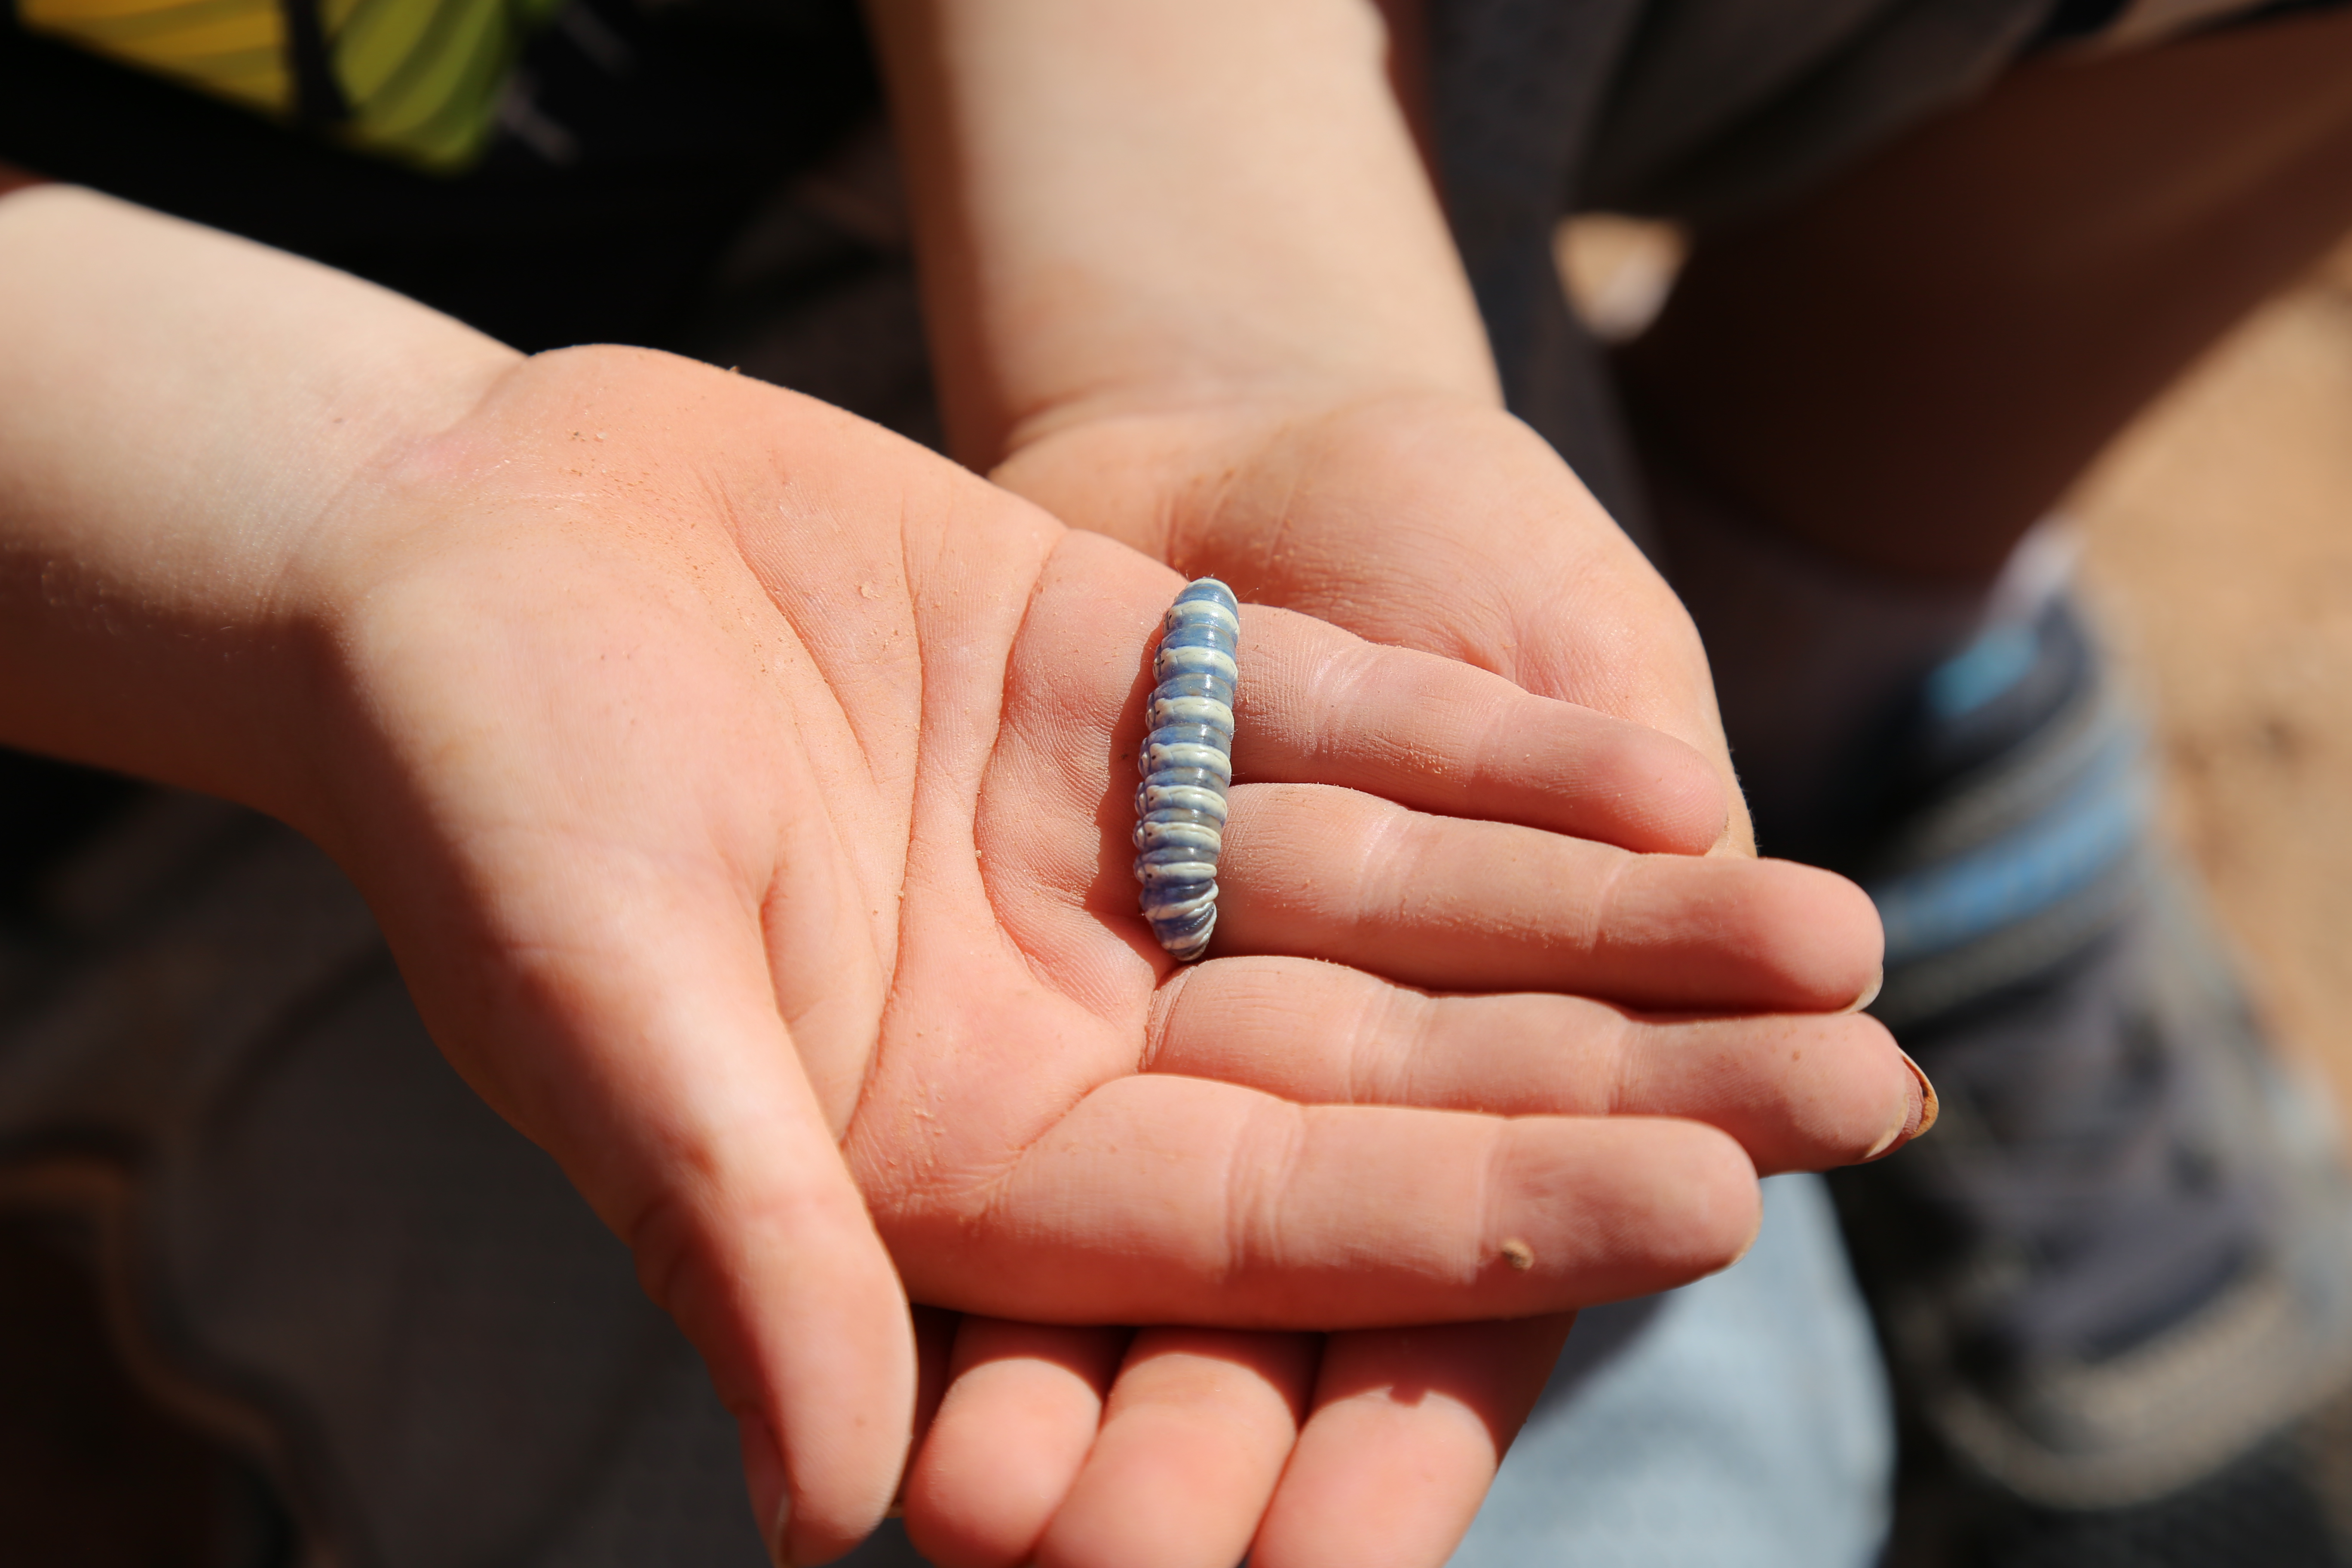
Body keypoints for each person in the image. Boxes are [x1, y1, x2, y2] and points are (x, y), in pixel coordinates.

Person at [0, 19, 1916, 1568]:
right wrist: (342, 516)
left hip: (966, 154)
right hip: (151, 608)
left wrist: (1223, 324)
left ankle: (1880, 681)